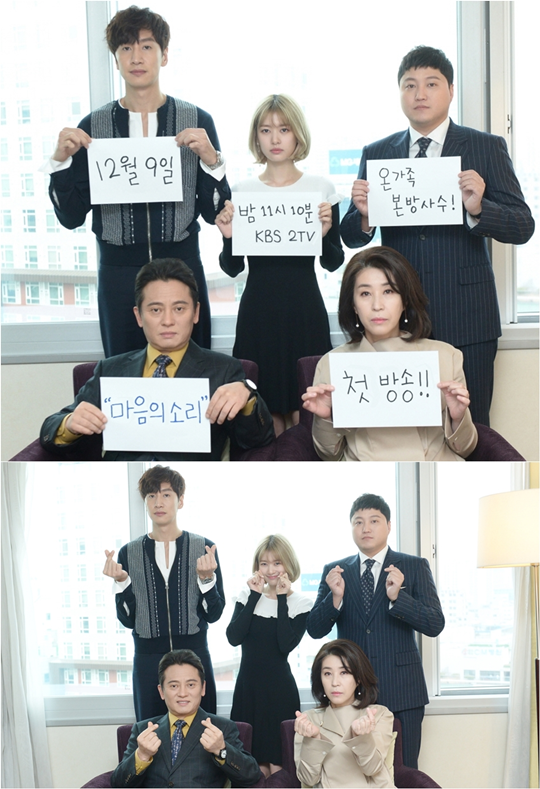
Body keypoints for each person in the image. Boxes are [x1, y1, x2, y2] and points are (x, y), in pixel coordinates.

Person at [340, 45, 534, 427]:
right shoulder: (378, 153)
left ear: (450, 90)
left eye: (431, 84)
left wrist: (479, 208)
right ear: (400, 93)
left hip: (468, 316)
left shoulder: (485, 146)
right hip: (399, 318)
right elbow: (351, 237)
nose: (420, 94)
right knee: (406, 425)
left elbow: (523, 226)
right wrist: (363, 215)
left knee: (471, 425)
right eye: (409, 85)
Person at [42, 6, 230, 356]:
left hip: (182, 266)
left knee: (193, 370)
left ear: (164, 54)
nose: (136, 57)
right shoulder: (92, 127)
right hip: (118, 273)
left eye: (146, 46)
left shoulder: (197, 121)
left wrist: (212, 161)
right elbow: (71, 217)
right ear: (116, 59)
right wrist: (60, 163)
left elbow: (213, 212)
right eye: (125, 48)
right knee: (122, 368)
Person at [39, 258, 274, 461]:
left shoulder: (224, 370)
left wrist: (247, 397)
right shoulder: (110, 370)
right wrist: (69, 424)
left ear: (196, 313)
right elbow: (50, 430)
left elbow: (258, 439)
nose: (168, 321)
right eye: (155, 310)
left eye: (179, 309)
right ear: (139, 316)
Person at [215, 94, 344, 435]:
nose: (275, 138)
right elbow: (231, 268)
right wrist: (228, 237)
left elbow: (334, 262)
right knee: (265, 415)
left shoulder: (321, 188)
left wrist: (325, 233)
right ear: (256, 137)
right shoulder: (241, 192)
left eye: (284, 129)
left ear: (297, 134)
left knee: (307, 413)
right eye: (266, 130)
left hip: (304, 310)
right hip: (259, 312)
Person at [306, 493, 444, 769]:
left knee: (404, 770)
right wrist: (335, 598)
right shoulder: (335, 571)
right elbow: (315, 629)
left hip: (403, 690)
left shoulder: (414, 566)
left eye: (374, 521)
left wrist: (398, 597)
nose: (365, 528)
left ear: (389, 525)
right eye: (358, 522)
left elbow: (434, 624)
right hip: (352, 693)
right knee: (355, 769)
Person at [302, 246, 478, 461]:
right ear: (354, 305)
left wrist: (458, 418)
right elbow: (329, 454)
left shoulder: (445, 356)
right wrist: (325, 419)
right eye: (365, 294)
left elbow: (465, 449)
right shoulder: (333, 364)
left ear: (405, 301)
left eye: (389, 291)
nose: (377, 305)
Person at [103, 466, 224, 721]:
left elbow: (213, 614)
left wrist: (206, 579)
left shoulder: (204, 548)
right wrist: (123, 582)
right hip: (148, 661)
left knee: (202, 732)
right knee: (151, 733)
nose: (158, 502)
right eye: (151, 495)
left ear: (180, 500)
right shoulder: (129, 553)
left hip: (195, 657)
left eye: (166, 494)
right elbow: (127, 620)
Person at [111, 649, 261, 788]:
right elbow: (118, 784)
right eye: (174, 686)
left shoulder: (222, 728)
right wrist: (141, 755)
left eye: (190, 685)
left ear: (203, 688)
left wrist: (221, 750)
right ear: (161, 691)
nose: (182, 693)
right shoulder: (143, 730)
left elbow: (251, 775)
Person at [226, 534, 312, 776]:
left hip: (279, 693)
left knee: (278, 766)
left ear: (288, 564)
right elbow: (233, 637)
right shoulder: (247, 596)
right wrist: (255, 595)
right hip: (248, 691)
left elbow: (285, 645)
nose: (271, 570)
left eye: (277, 563)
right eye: (264, 563)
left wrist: (282, 598)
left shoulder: (301, 603)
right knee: (249, 765)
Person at [294, 639, 395, 788]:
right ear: (320, 679)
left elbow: (372, 769)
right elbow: (307, 779)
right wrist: (314, 739)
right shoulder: (307, 720)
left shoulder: (378, 714)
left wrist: (361, 738)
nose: (335, 682)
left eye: (344, 672)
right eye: (327, 673)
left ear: (358, 678)